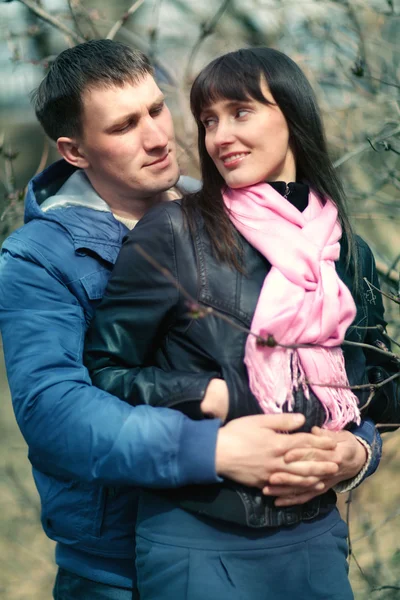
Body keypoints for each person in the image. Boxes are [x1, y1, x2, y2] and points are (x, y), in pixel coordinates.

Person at [0, 40, 363, 600]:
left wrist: (358, 449)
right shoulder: (38, 259)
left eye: (155, 109)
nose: (157, 137)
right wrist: (210, 449)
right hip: (116, 569)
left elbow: (328, 360)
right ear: (74, 151)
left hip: (280, 544)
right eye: (123, 126)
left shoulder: (243, 215)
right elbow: (54, 413)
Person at [84, 47, 398, 600]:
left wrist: (359, 453)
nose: (219, 135)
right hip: (199, 538)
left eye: (241, 112)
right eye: (209, 120)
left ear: (293, 115)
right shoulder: (174, 233)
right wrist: (213, 393)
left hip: (317, 537)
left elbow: (373, 387)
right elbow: (104, 371)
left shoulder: (347, 251)